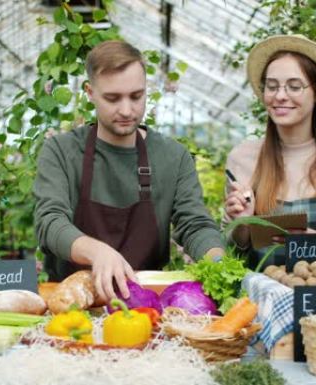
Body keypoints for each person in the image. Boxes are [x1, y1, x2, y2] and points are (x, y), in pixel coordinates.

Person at [34, 40, 225, 301]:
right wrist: (97, 252)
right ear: (90, 92)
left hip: (146, 306)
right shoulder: (61, 151)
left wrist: (218, 261)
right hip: (72, 305)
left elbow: (194, 224)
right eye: (112, 98)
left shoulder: (172, 156)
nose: (127, 110)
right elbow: (50, 222)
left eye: (136, 96)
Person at [223, 35, 316, 267]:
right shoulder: (242, 158)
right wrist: (242, 225)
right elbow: (233, 251)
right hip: (257, 298)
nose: (280, 96)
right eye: (272, 86)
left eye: (294, 86)